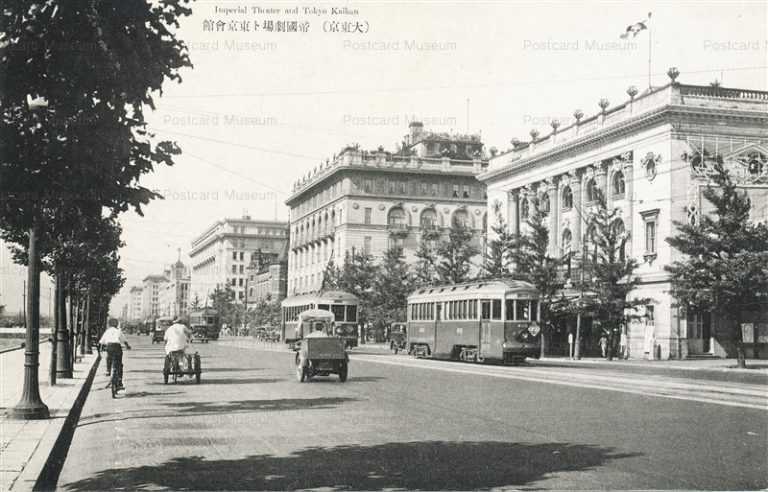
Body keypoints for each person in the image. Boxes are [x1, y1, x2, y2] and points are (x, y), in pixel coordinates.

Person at [98, 319, 131, 388]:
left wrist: (101, 348)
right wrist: (127, 346)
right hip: (117, 347)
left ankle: (108, 370)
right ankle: (120, 381)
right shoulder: (118, 331)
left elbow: (101, 341)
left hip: (109, 347)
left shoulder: (107, 331)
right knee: (119, 364)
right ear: (116, 324)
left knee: (109, 358)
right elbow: (124, 340)